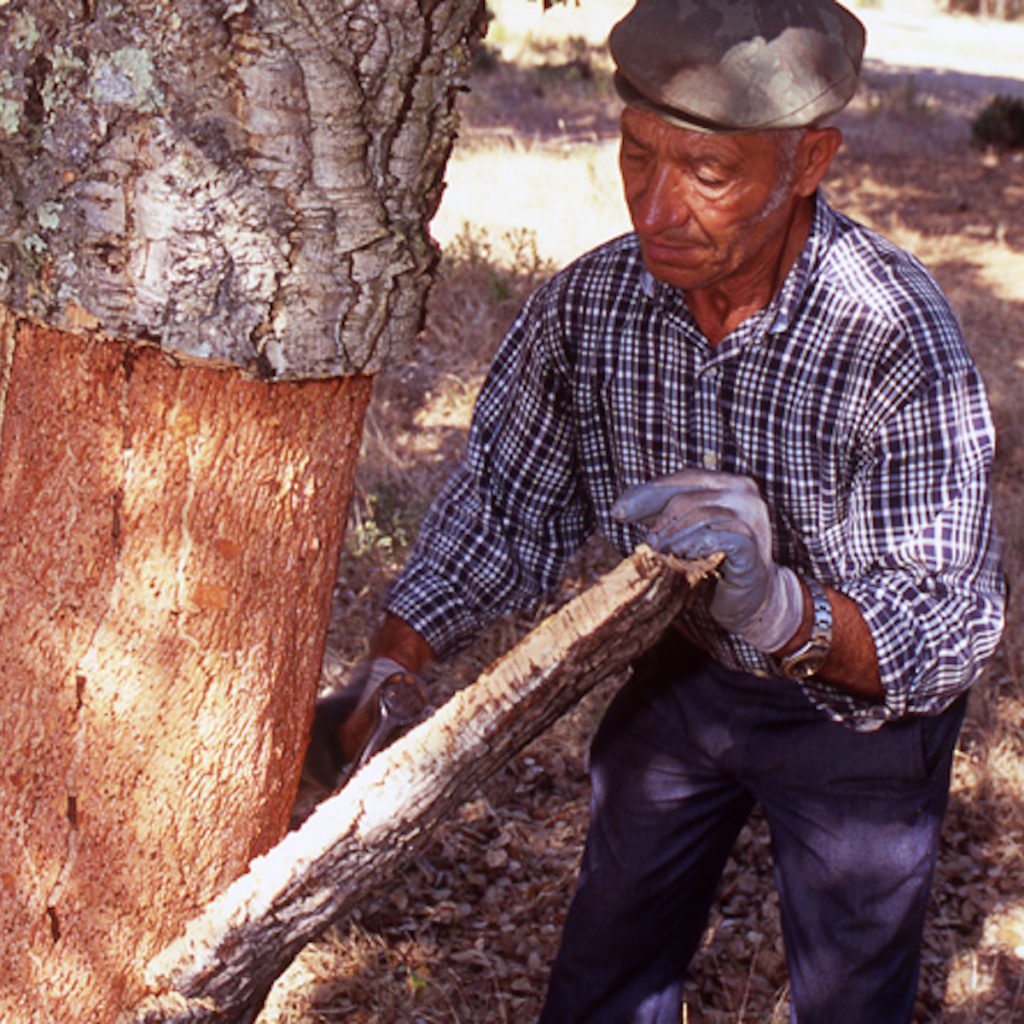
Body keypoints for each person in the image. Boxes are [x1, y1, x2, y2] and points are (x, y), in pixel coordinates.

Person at [307, 1, 1006, 1020]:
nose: (656, 209)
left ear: (808, 163)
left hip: (861, 713)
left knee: (851, 991)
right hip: (685, 678)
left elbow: (944, 621)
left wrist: (781, 612)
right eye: (637, 156)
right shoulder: (591, 307)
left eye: (709, 173)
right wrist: (390, 667)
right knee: (608, 965)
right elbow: (502, 505)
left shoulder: (889, 335)